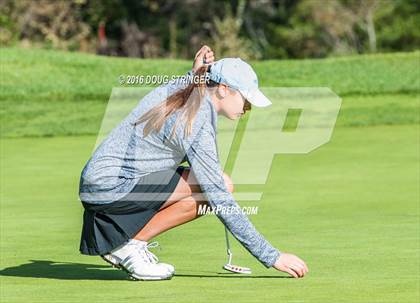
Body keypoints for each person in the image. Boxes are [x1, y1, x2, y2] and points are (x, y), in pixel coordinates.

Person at [78, 45, 308, 280]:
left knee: (220, 183)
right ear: (223, 89)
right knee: (220, 188)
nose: (247, 107)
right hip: (112, 189)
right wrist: (271, 256)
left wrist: (196, 72)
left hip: (100, 185)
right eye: (245, 98)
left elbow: (192, 81)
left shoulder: (186, 89)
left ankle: (130, 244)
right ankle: (130, 245)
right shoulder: (197, 119)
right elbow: (218, 196)